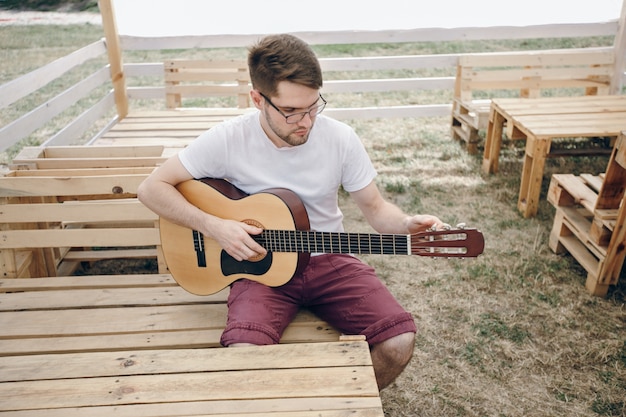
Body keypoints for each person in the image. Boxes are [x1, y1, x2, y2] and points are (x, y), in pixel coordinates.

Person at [137, 33, 445, 390]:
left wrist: (408, 224)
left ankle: (339, 406)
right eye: (291, 111)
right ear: (257, 99)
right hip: (260, 268)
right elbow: (151, 188)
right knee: (243, 357)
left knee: (398, 343)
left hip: (330, 260)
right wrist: (215, 226)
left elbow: (376, 209)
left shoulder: (341, 138)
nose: (306, 121)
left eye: (314, 106)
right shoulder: (228, 139)